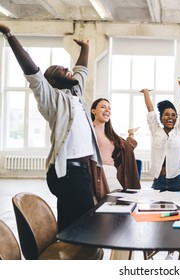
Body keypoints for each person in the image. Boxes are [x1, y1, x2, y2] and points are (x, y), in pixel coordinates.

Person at [0, 23, 102, 232]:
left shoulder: (76, 93)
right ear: (53, 81)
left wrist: (85, 48)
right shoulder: (51, 98)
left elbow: (81, 69)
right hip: (67, 173)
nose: (68, 69)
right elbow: (32, 71)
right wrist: (9, 34)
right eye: (62, 70)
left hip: (82, 171)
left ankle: (62, 256)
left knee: (68, 224)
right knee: (87, 225)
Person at [140, 80, 180, 193]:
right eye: (166, 114)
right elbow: (151, 112)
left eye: (173, 115)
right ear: (161, 117)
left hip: (178, 181)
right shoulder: (156, 130)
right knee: (156, 210)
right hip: (159, 181)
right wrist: (146, 93)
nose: (170, 117)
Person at [90, 98, 141, 201]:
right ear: (93, 111)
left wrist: (131, 133)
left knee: (118, 205)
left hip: (112, 173)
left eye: (109, 108)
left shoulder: (110, 134)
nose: (107, 110)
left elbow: (126, 147)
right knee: (103, 207)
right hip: (99, 173)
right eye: (103, 107)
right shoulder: (90, 129)